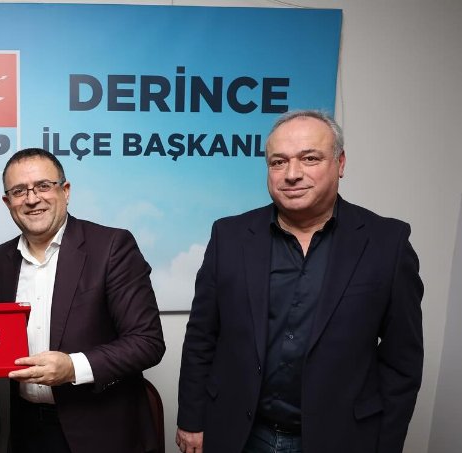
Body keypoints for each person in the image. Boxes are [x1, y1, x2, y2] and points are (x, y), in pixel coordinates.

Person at [176, 110, 424, 453]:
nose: (292, 174)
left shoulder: (387, 244)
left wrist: (386, 445)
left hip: (340, 438)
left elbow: (402, 363)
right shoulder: (229, 236)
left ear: (340, 163)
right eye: (278, 162)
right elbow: (201, 337)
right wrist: (191, 419)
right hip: (240, 433)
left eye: (310, 158)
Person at [0, 148, 166, 453]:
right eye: (19, 191)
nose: (32, 199)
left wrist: (73, 367)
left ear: (66, 191)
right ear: (7, 203)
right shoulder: (3, 258)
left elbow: (147, 342)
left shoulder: (111, 246)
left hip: (100, 430)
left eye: (43, 186)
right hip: (27, 430)